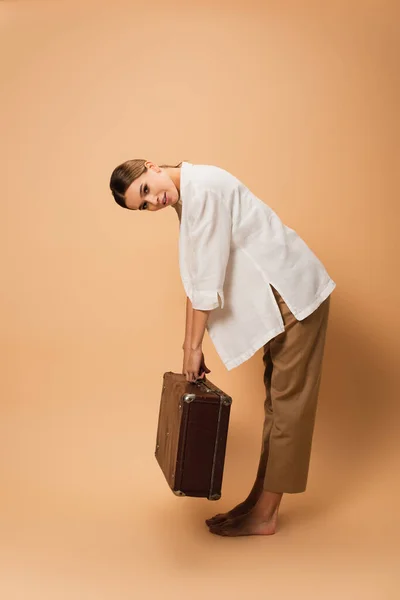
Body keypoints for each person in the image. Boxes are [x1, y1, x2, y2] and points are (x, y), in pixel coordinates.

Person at [109, 159, 336, 537]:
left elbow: (208, 277)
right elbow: (196, 276)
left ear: (151, 167)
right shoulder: (189, 195)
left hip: (294, 298)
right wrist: (188, 345)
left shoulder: (206, 188)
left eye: (146, 190)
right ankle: (257, 503)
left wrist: (194, 348)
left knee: (288, 408)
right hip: (277, 302)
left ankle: (265, 514)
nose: (154, 202)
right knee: (277, 406)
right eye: (144, 206)